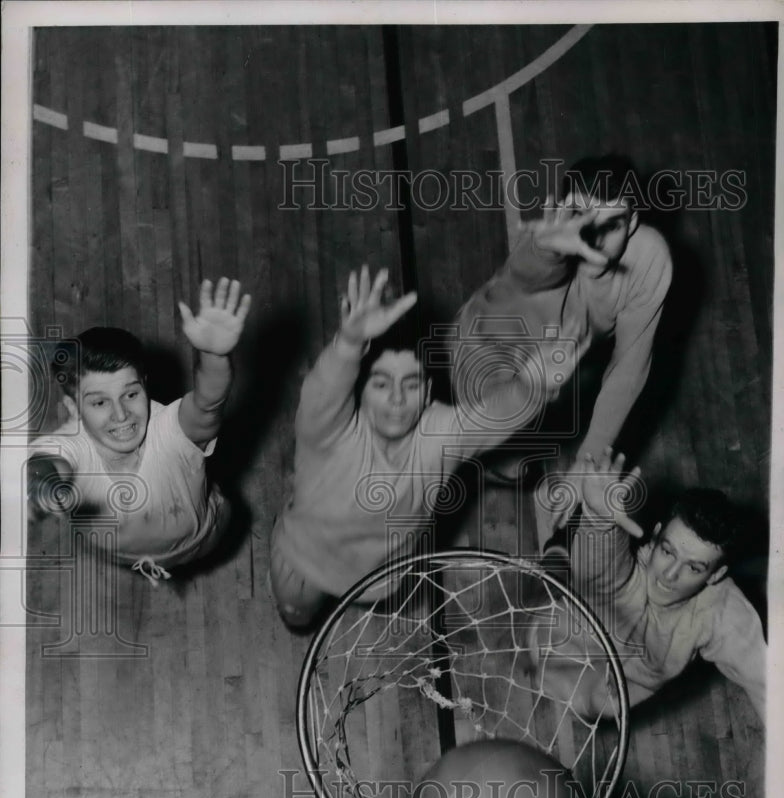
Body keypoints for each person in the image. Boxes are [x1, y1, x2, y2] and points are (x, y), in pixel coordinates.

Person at [269, 264, 546, 629]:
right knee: (297, 618)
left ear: (429, 394)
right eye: (382, 384)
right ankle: (293, 512)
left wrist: (537, 384)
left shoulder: (438, 434)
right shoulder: (327, 430)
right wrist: (350, 343)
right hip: (304, 562)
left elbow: (494, 415)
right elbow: (323, 387)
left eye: (412, 385)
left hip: (375, 577)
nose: (397, 399)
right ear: (359, 392)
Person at [454, 155, 673, 528]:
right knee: (509, 466)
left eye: (613, 224)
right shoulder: (548, 248)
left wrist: (585, 463)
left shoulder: (651, 257)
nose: (594, 238)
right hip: (490, 348)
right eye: (581, 218)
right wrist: (546, 248)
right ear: (561, 215)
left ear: (634, 223)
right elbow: (526, 273)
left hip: (560, 352)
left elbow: (629, 369)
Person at [27, 277, 251, 583]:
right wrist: (39, 481)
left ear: (145, 385)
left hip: (200, 538)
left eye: (131, 394)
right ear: (74, 408)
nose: (121, 415)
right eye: (99, 402)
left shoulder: (171, 432)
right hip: (118, 553)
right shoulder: (68, 446)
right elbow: (47, 465)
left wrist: (214, 357)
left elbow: (208, 405)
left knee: (207, 550)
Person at [537, 448, 766, 722]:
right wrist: (598, 520)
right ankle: (559, 549)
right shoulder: (627, 570)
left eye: (693, 568)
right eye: (667, 552)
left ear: (716, 576)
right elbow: (604, 565)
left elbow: (769, 686)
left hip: (620, 687)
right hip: (571, 640)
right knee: (563, 575)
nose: (669, 574)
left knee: (591, 704)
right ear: (656, 535)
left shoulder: (722, 613)